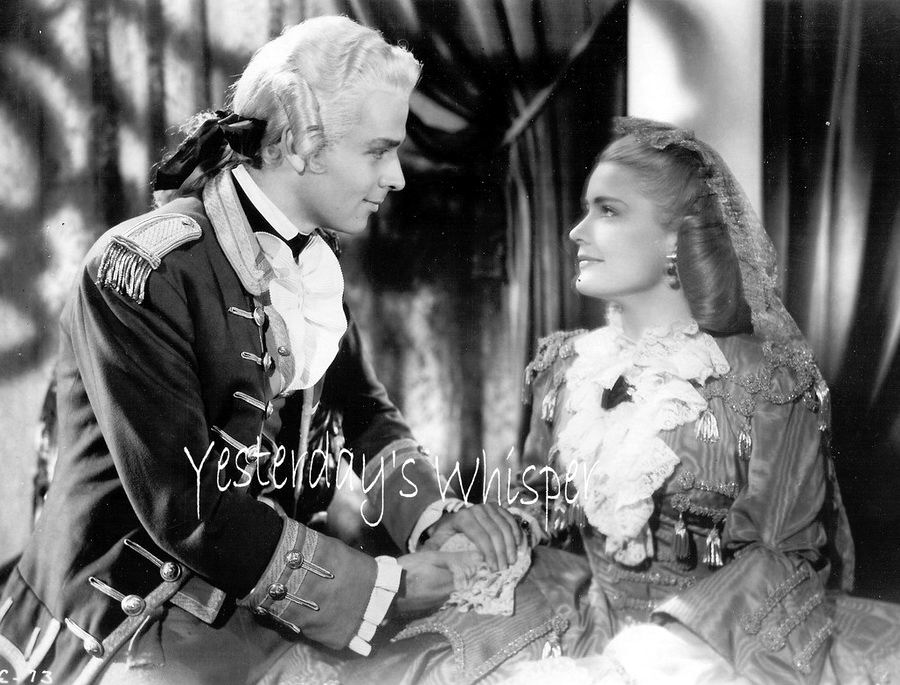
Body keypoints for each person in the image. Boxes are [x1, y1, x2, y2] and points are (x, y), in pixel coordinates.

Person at [0, 15, 521, 685]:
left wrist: (430, 521)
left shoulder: (312, 264)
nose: (396, 176)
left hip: (260, 598)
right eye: (377, 151)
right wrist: (385, 589)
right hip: (129, 620)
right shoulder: (144, 269)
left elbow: (364, 412)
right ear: (299, 143)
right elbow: (188, 509)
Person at [349, 117, 900, 684]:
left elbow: (783, 559)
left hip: (711, 645)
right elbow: (547, 504)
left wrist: (641, 663)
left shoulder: (763, 382)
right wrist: (494, 532)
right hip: (583, 615)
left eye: (608, 211)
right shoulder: (565, 367)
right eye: (586, 209)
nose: (577, 232)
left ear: (675, 240)